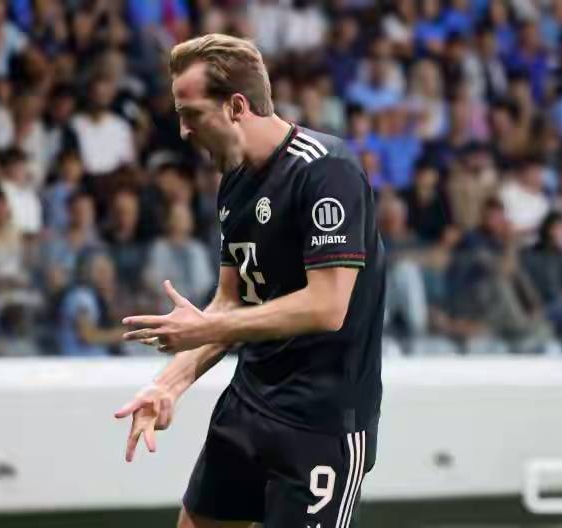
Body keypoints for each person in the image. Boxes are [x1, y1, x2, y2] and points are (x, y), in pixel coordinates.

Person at [114, 34, 385, 528]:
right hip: (249, 405)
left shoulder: (325, 170)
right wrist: (168, 384)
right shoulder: (234, 184)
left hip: (321, 424)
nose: (184, 131)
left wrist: (206, 328)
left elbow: (328, 305)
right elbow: (229, 303)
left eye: (192, 114)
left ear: (237, 106)